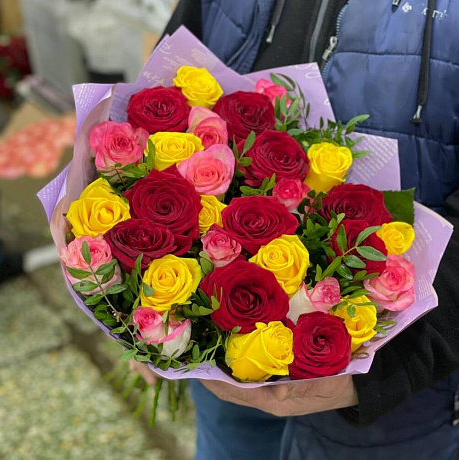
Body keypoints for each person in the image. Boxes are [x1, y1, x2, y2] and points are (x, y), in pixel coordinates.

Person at [132, 1, 459, 458]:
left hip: (395, 387)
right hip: (218, 347)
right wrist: (137, 304)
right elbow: (183, 57)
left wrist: (397, 364)